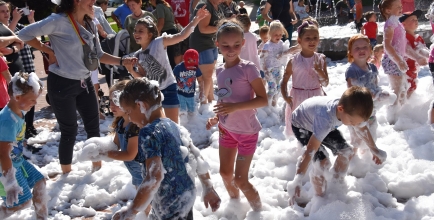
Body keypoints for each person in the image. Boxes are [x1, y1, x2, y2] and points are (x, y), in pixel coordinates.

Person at [18, 0, 137, 174]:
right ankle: (66, 175)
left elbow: (98, 54)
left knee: (93, 127)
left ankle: (96, 172)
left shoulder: (89, 22)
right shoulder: (58, 20)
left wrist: (121, 61)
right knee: (69, 131)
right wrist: (47, 50)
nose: (94, 2)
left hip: (85, 80)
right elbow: (24, 33)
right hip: (62, 83)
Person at [113, 78, 220, 219]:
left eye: (128, 112)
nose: (130, 119)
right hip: (185, 198)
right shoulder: (174, 126)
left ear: (141, 106)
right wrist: (208, 187)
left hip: (168, 205)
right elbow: (197, 157)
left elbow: (154, 177)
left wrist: (131, 211)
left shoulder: (149, 132)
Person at [287, 86, 387, 207]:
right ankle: (320, 199)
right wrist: (298, 179)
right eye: (351, 122)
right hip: (302, 125)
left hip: (321, 121)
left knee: (347, 152)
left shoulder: (347, 110)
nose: (354, 125)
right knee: (322, 163)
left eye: (356, 122)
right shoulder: (325, 120)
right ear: (340, 109)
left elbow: (362, 129)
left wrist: (374, 150)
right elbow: (309, 151)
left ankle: (336, 186)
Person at [206, 20, 268, 212]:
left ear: (243, 43)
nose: (230, 49)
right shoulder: (219, 71)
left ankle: (259, 212)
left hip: (247, 132)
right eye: (225, 45)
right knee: (225, 173)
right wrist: (217, 117)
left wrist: (235, 108)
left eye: (235, 45)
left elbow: (263, 99)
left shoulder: (248, 69)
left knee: (240, 179)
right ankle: (236, 206)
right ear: (217, 44)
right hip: (226, 130)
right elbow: (224, 99)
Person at [124, 7, 208, 124]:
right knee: (157, 126)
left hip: (169, 89)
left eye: (140, 31)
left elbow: (182, 35)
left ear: (150, 34)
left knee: (172, 125)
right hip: (152, 93)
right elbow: (144, 79)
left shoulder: (159, 42)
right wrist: (131, 70)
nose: (136, 33)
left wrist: (196, 19)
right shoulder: (137, 55)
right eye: (135, 30)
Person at [0, 72, 48, 219]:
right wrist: (10, 183)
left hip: (17, 161)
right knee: (21, 203)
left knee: (40, 182)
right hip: (5, 166)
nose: (34, 104)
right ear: (18, 97)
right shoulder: (8, 121)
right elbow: (3, 154)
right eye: (32, 101)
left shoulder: (18, 110)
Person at [345, 34, 391, 166]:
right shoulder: (352, 70)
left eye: (365, 47)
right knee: (357, 139)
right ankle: (351, 162)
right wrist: (373, 94)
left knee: (372, 133)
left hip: (371, 109)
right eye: (357, 48)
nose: (361, 50)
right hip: (356, 110)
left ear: (370, 49)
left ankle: (368, 161)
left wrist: (382, 94)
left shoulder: (373, 67)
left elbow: (376, 85)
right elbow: (353, 90)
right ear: (351, 52)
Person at [281, 19, 328, 137]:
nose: (312, 41)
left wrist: (319, 71)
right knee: (300, 129)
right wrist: (285, 95)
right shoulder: (293, 61)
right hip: (298, 97)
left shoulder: (321, 59)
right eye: (308, 38)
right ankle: (301, 150)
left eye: (315, 38)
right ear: (299, 40)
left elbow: (326, 83)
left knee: (315, 126)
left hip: (316, 95)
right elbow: (284, 80)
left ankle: (314, 151)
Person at [6, 3, 39, 139]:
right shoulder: (5, 29)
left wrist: (31, 20)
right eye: (2, 11)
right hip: (13, 72)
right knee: (18, 101)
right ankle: (21, 132)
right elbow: (7, 39)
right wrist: (14, 20)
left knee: (31, 98)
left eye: (7, 11)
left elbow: (36, 39)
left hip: (27, 67)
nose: (6, 14)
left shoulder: (19, 26)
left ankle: (29, 126)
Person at [105, 80, 143, 188]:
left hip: (146, 174)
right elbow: (116, 145)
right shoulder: (121, 122)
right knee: (144, 203)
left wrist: (105, 154)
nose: (111, 105)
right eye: (110, 100)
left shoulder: (135, 126)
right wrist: (98, 148)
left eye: (116, 101)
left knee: (148, 202)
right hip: (136, 174)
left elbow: (130, 155)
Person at [379, 0, 407, 125]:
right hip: (392, 61)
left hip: (395, 60)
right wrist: (399, 60)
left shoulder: (397, 23)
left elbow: (402, 44)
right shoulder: (390, 24)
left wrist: (415, 56)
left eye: (401, 6)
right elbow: (387, 45)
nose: (401, 8)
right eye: (398, 7)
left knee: (401, 88)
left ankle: (398, 115)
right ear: (388, 10)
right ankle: (391, 120)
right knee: (396, 90)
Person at [189, 0, 224, 105]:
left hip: (211, 43)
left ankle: (211, 99)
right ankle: (203, 103)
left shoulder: (217, 6)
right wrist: (221, 27)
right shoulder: (205, 5)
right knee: (206, 76)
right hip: (201, 44)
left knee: (209, 75)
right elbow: (203, 29)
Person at [259, 20, 290, 106]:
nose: (278, 36)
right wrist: (265, 71)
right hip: (269, 70)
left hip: (278, 69)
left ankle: (274, 105)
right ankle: (266, 105)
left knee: (279, 88)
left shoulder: (281, 43)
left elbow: (285, 55)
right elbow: (262, 59)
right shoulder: (267, 45)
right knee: (272, 89)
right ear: (270, 34)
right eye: (276, 35)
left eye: (280, 34)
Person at [400, 10, 429, 99]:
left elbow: (421, 50)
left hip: (413, 69)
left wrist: (430, 56)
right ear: (403, 24)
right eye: (412, 20)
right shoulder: (403, 37)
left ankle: (408, 108)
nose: (416, 21)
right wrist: (418, 58)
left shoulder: (418, 37)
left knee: (412, 86)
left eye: (416, 19)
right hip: (404, 69)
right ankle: (401, 108)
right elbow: (406, 49)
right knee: (404, 88)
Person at [150, 0, 183, 68]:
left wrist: (154, 35)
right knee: (174, 57)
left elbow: (161, 22)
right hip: (174, 32)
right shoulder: (167, 5)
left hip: (167, 32)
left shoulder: (159, 6)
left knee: (169, 58)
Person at [173, 49, 204, 116]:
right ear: (184, 59)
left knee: (192, 112)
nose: (191, 63)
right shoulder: (179, 67)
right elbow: (172, 78)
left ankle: (191, 124)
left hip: (191, 94)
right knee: (182, 112)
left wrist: (202, 91)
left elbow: (200, 80)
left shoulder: (196, 68)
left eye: (194, 61)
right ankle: (183, 124)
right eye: (189, 60)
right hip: (180, 93)